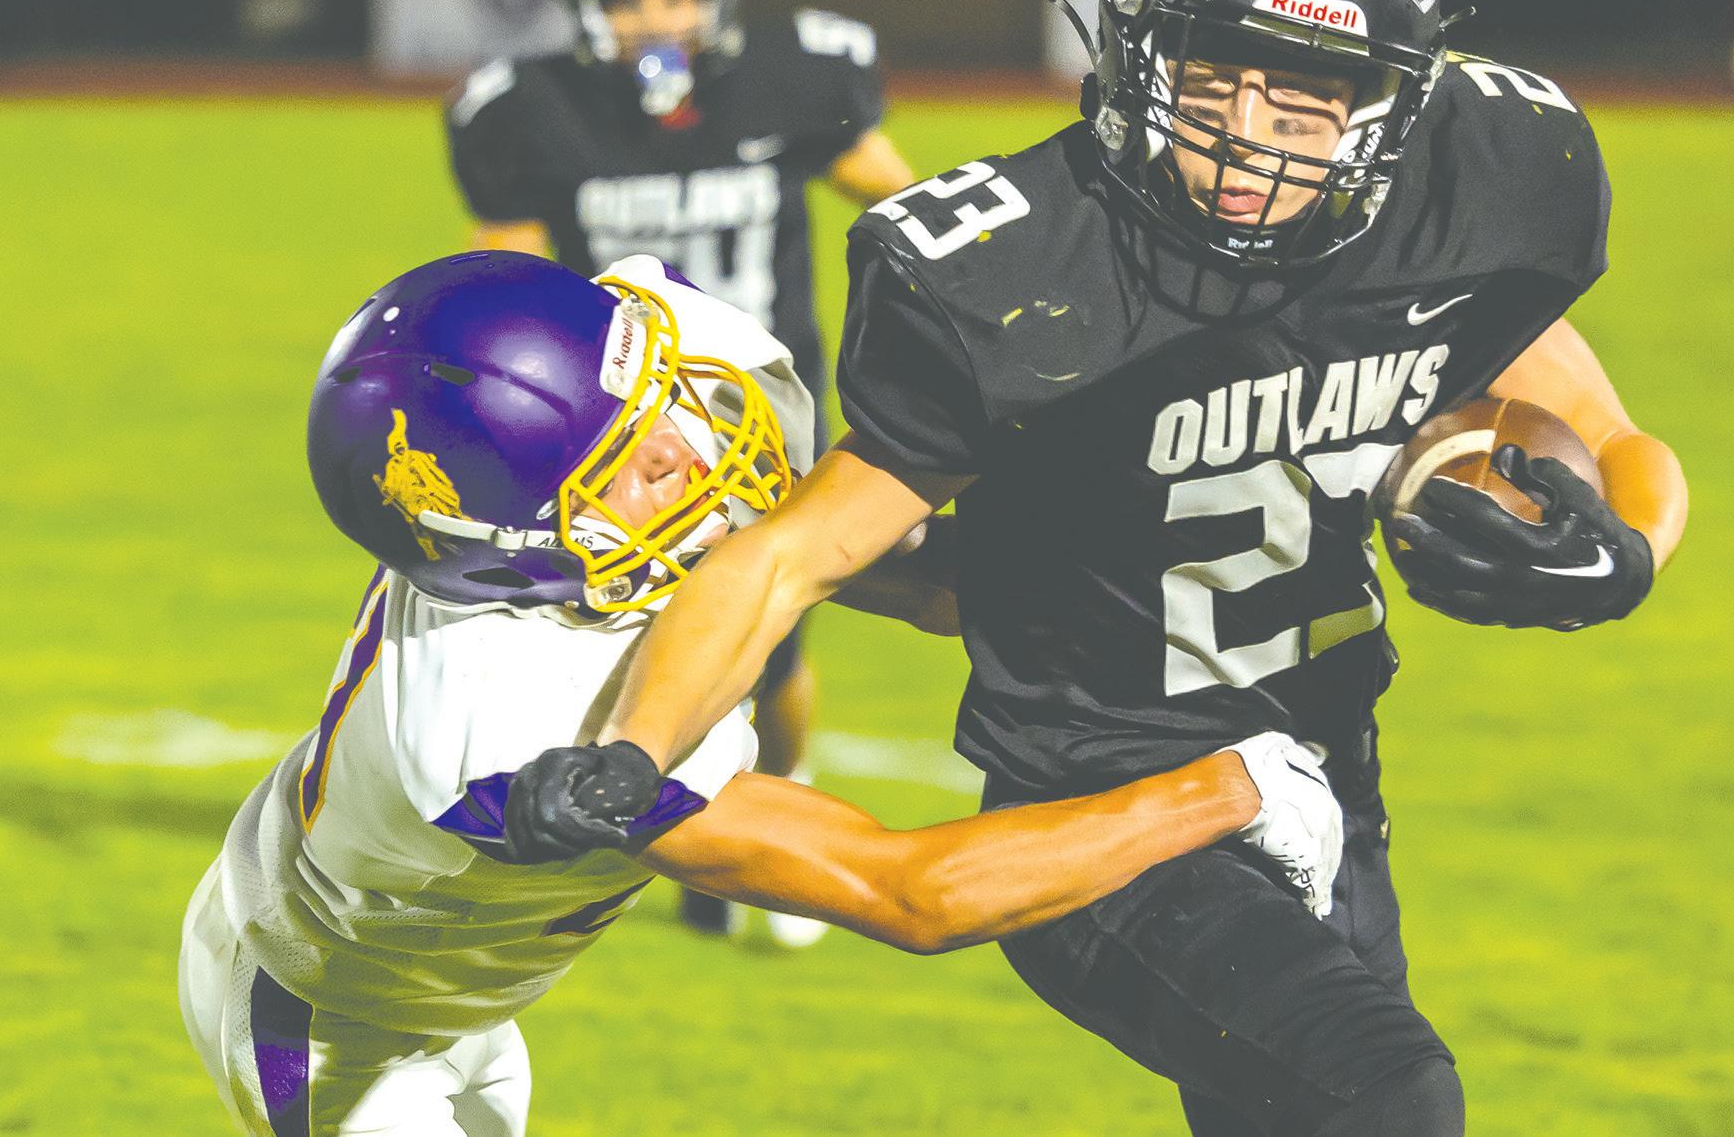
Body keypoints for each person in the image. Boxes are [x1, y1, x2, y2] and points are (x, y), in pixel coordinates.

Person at [509, 0, 1689, 1136]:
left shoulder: (1476, 178)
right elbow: (799, 551)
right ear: (1135, 44)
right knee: (1388, 1094)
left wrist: (1632, 542)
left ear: (1396, 95)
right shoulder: (1018, 268)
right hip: (1104, 805)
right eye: (1219, 71)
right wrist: (632, 749)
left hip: (1329, 779)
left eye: (1312, 90)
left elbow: (1600, 422)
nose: (1255, 134)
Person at [178, 250, 1342, 1137]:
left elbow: (885, 565)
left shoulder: (633, 411)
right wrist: (1226, 792)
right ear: (522, 553)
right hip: (344, 1027)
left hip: (432, 962)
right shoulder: (503, 718)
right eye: (626, 465)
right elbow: (910, 893)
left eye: (650, 401)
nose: (683, 449)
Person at [445, 0, 916, 941]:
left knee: (773, 641)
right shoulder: (531, 111)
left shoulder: (795, 78)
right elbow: (515, 286)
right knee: (623, 633)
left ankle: (779, 797)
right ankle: (678, 825)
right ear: (585, 1)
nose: (656, 18)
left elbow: (903, 199)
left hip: (763, 417)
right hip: (618, 428)